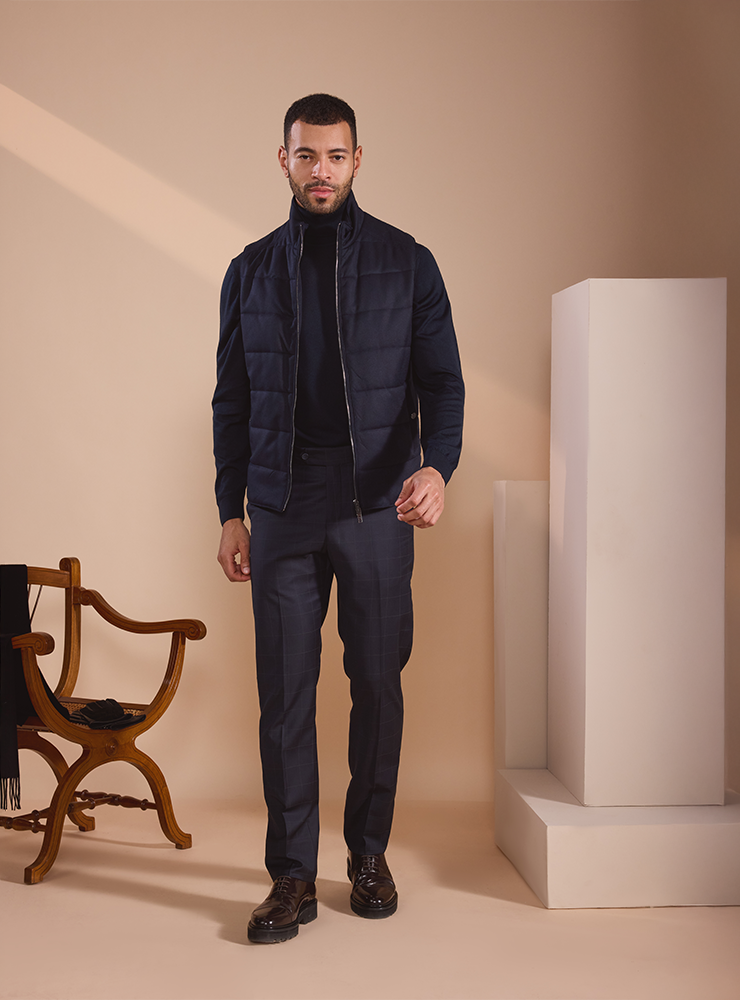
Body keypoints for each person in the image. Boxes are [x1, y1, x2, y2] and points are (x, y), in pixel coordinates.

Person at [213, 93, 464, 944]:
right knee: (284, 696)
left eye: (335, 155)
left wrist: (435, 468)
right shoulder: (249, 270)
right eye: (306, 155)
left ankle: (368, 854)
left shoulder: (408, 263)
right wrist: (230, 511)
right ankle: (291, 876)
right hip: (282, 505)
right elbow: (231, 401)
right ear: (283, 160)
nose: (320, 170)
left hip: (377, 503)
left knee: (377, 684)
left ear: (359, 159)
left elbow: (444, 386)